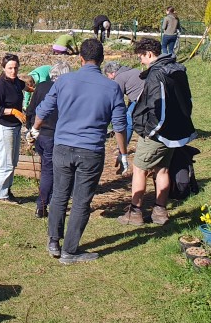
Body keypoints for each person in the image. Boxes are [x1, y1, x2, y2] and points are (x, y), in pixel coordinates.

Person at [29, 38, 127, 264]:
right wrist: (123, 154)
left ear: (80, 59)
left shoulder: (64, 81)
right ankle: (69, 251)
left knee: (60, 194)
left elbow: (44, 109)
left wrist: (34, 130)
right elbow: (119, 126)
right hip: (91, 151)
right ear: (102, 61)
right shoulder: (112, 87)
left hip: (62, 147)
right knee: (81, 201)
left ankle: (54, 241)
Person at [118, 38, 196, 226]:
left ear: (149, 54)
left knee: (140, 170)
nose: (141, 61)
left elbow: (155, 105)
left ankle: (135, 213)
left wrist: (150, 130)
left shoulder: (157, 74)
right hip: (175, 131)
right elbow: (187, 99)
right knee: (162, 170)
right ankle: (160, 212)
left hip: (158, 132)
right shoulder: (177, 68)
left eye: (141, 57)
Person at [25, 61, 71, 218]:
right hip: (54, 136)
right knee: (50, 171)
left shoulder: (42, 86)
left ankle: (49, 201)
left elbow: (30, 110)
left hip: (40, 135)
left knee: (47, 168)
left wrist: (30, 130)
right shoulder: (66, 90)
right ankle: (42, 206)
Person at [0, 53, 26, 203]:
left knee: (13, 161)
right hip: (4, 128)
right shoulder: (0, 86)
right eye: (10, 68)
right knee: (6, 163)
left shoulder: (16, 82)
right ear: (3, 68)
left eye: (16, 68)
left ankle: (6, 190)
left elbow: (25, 86)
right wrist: (13, 111)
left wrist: (34, 89)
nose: (13, 71)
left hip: (15, 127)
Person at [103, 61, 145, 170]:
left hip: (140, 98)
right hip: (143, 95)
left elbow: (117, 98)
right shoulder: (130, 70)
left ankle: (122, 148)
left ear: (112, 73)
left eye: (108, 76)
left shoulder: (119, 78)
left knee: (128, 123)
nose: (109, 79)